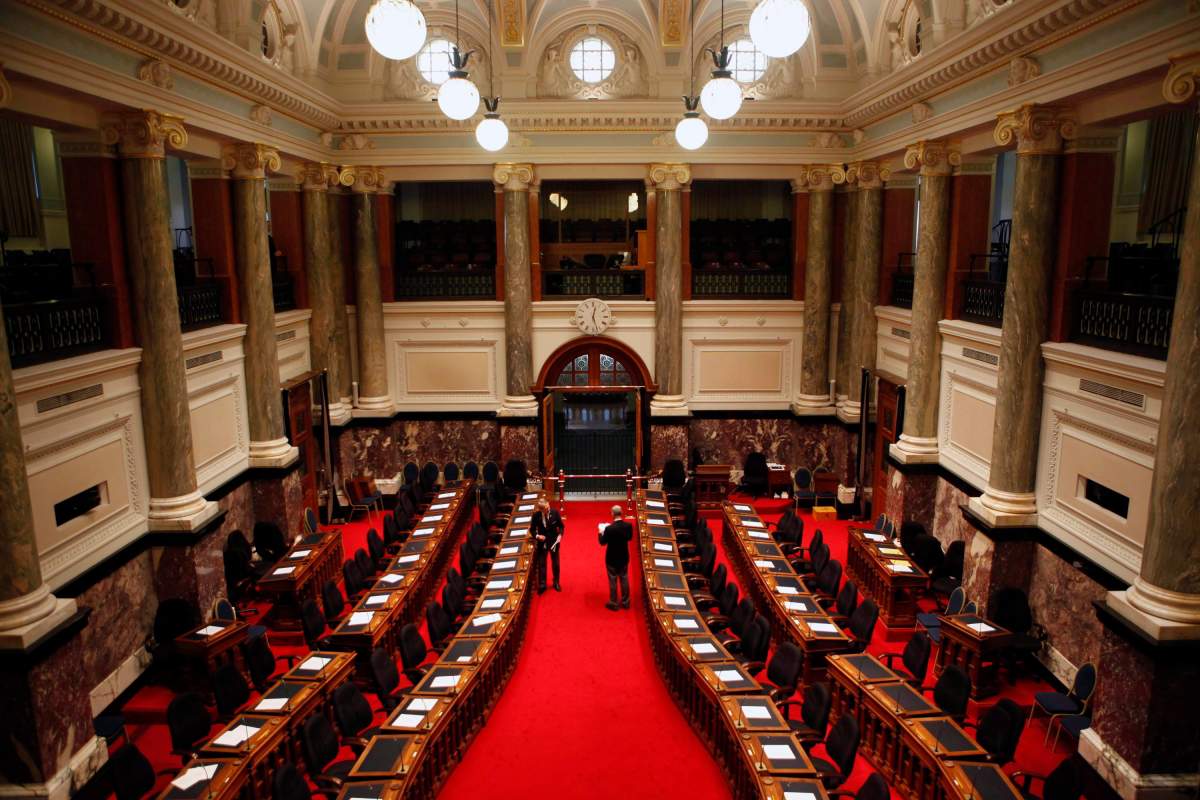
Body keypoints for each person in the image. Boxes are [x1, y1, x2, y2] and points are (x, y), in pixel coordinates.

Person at [598, 504, 633, 611]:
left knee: (613, 580)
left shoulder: (609, 529)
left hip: (612, 558)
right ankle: (626, 602)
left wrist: (600, 533)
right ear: (621, 513)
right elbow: (630, 538)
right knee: (624, 578)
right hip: (624, 557)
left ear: (612, 514)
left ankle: (613, 602)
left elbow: (602, 542)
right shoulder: (628, 526)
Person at [530, 498, 564, 593]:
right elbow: (532, 529)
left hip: (554, 542)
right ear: (541, 510)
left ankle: (556, 582)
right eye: (546, 509)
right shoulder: (536, 516)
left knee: (556, 564)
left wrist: (560, 535)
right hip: (543, 542)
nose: (548, 510)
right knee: (542, 563)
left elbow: (561, 526)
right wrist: (537, 536)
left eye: (548, 507)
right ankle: (542, 584)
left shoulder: (555, 512)